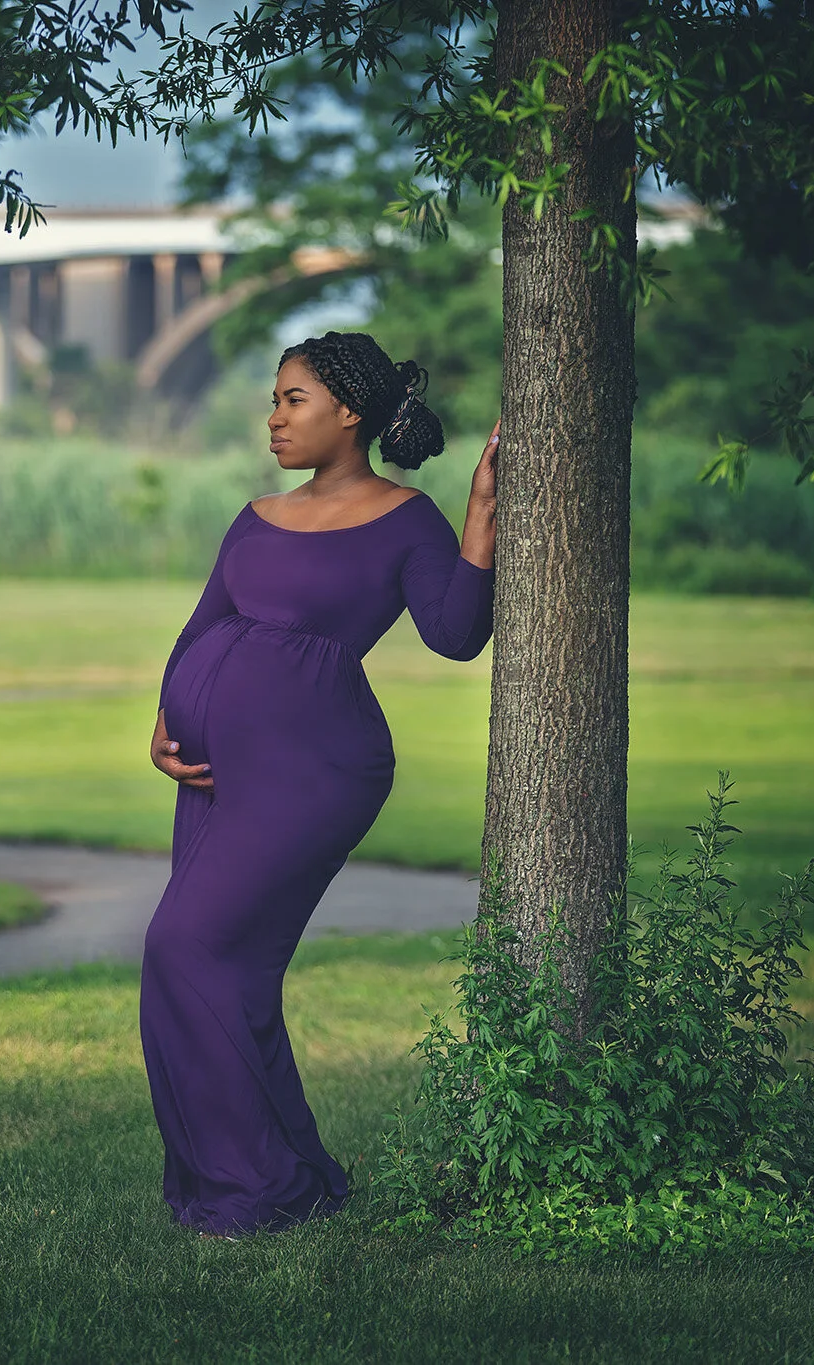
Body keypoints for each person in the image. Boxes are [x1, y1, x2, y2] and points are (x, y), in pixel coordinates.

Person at [141, 330, 500, 1239]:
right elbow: (200, 629)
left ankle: (250, 1189)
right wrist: (166, 717)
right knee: (224, 969)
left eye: (291, 398)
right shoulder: (257, 515)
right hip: (216, 772)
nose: (273, 416)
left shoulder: (405, 517)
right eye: (274, 397)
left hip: (315, 768)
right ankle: (284, 1178)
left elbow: (455, 633)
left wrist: (480, 520)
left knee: (186, 944)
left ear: (349, 412)